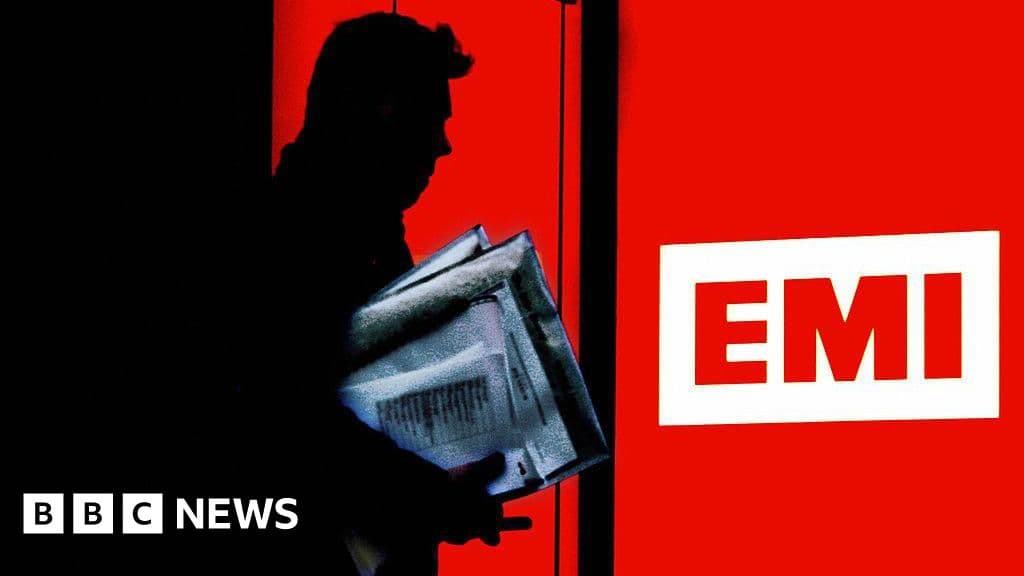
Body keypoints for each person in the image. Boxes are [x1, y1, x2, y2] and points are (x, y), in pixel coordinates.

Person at [177, 12, 526, 574]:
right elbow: (299, 431)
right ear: (382, 112)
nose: (443, 147)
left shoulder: (352, 233)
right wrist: (434, 500)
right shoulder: (291, 242)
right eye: (432, 120)